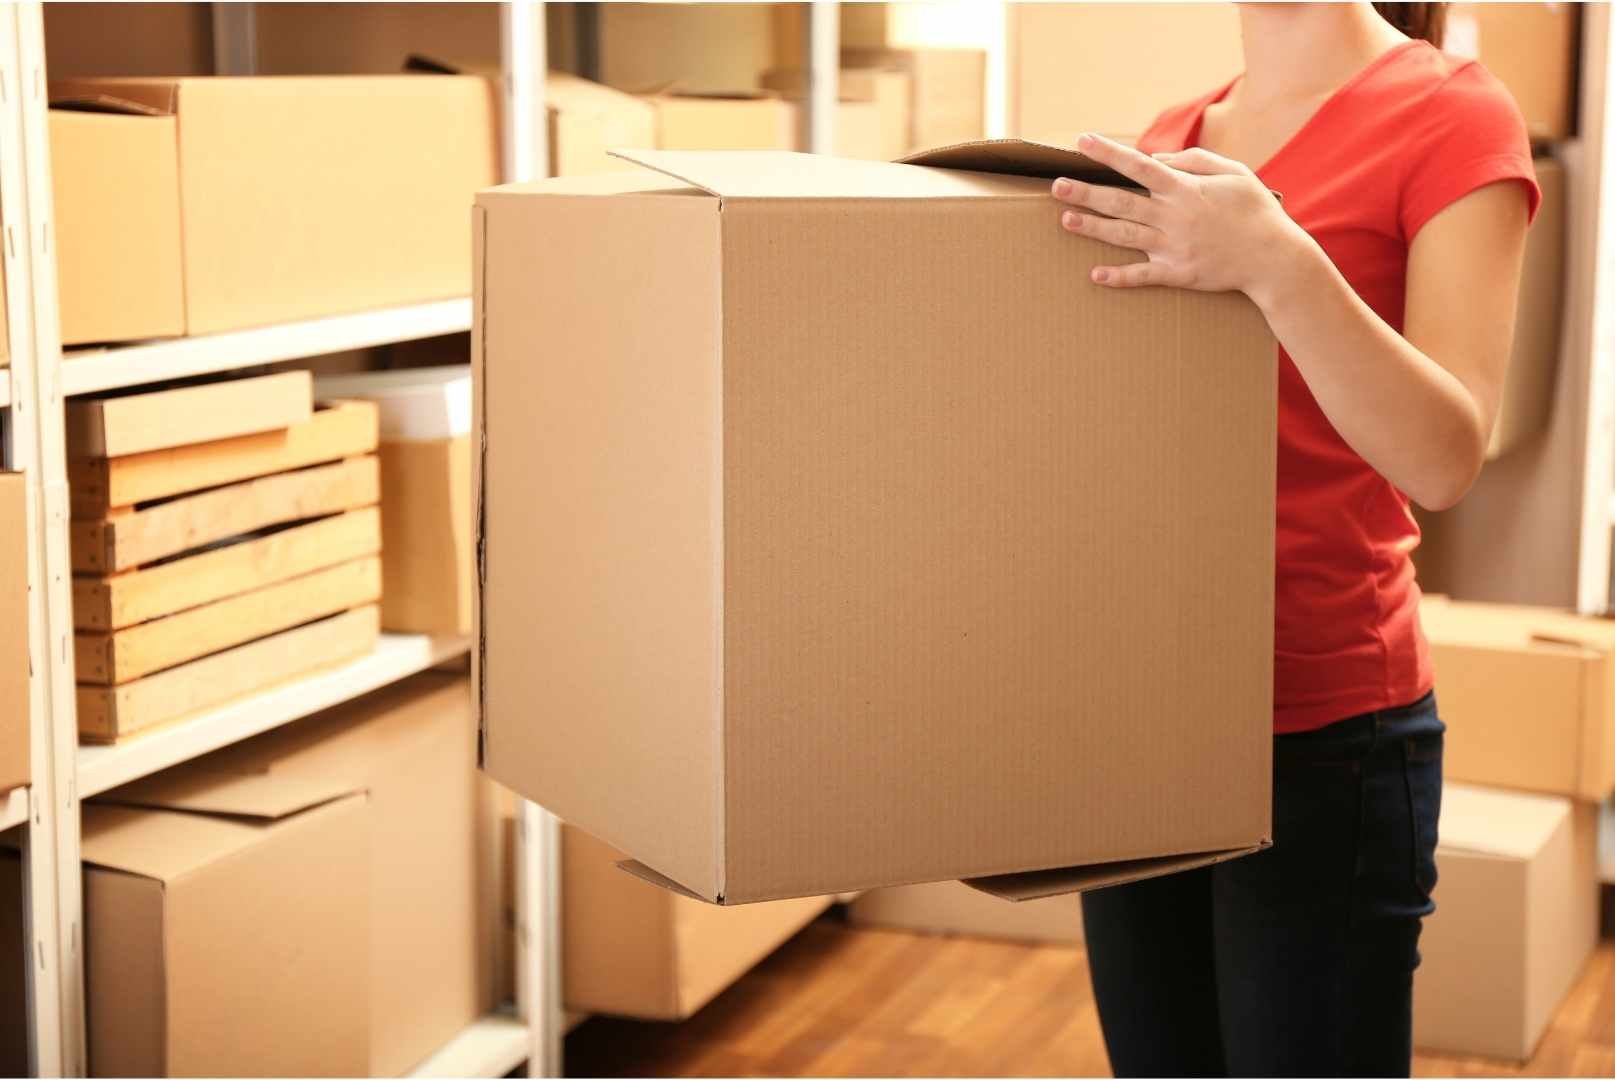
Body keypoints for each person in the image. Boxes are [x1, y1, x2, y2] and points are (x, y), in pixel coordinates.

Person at [1048, 3, 1539, 1076]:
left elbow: (1447, 455)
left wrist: (1278, 260)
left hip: (1324, 733)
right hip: (1144, 718)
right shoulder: (1171, 138)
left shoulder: (1451, 114)